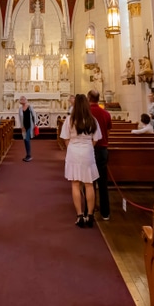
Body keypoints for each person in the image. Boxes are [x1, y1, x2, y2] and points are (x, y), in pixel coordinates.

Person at [60, 93, 101, 228]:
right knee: (89, 184)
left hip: (73, 152)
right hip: (88, 152)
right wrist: (87, 147)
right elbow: (96, 139)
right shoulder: (92, 120)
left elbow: (65, 138)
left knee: (75, 184)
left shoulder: (70, 120)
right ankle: (89, 215)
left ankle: (79, 216)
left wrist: (72, 147)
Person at [87, 89, 112, 221]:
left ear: (88, 98)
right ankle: (105, 212)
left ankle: (88, 210)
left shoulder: (86, 114)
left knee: (88, 182)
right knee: (103, 183)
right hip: (102, 149)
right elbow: (108, 130)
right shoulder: (106, 113)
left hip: (89, 149)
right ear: (98, 98)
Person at [18, 96, 36, 162]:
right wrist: (21, 126)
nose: (22, 100)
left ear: (26, 100)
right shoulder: (20, 109)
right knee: (25, 140)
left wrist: (35, 124)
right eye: (21, 99)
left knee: (27, 140)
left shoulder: (30, 107)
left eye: (23, 99)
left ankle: (29, 155)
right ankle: (27, 155)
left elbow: (34, 115)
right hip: (23, 126)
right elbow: (20, 118)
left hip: (29, 126)